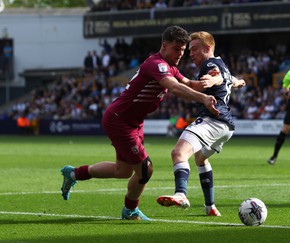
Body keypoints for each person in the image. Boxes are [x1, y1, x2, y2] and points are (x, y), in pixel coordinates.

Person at [60, 26, 222, 221]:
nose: (181, 54)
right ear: (164, 46)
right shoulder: (157, 64)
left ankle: (74, 174)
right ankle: (130, 211)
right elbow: (175, 88)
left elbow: (189, 84)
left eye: (183, 49)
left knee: (124, 170)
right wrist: (203, 99)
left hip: (132, 122)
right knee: (145, 169)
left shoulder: (170, 67)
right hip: (120, 120)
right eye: (176, 49)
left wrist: (216, 80)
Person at [156, 31, 246, 216]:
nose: (191, 53)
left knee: (178, 152)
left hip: (212, 120)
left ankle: (181, 194)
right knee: (200, 159)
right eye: (190, 50)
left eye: (195, 49)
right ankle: (210, 206)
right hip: (226, 127)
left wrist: (212, 79)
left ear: (208, 48)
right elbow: (230, 79)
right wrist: (239, 82)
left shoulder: (210, 64)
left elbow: (218, 77)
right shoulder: (223, 65)